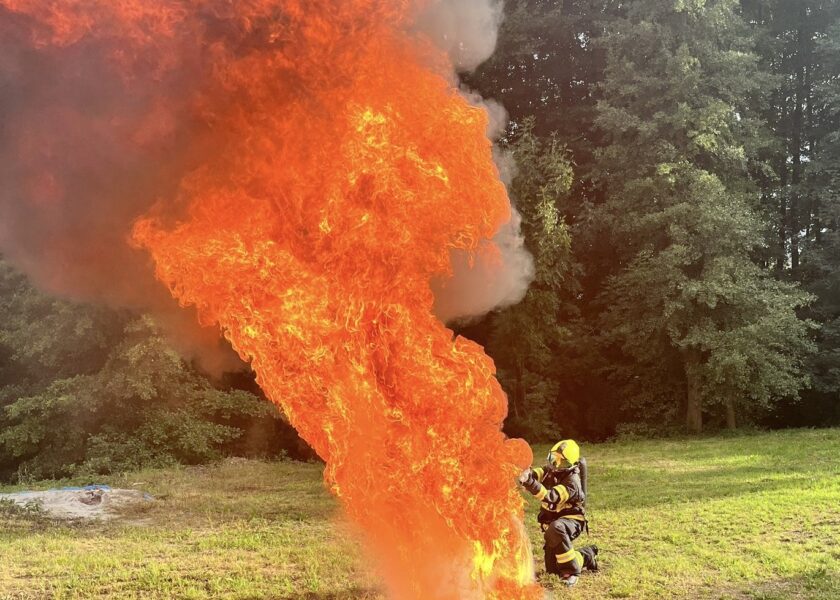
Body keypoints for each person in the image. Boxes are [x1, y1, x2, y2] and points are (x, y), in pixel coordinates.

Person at [519, 439, 599, 586]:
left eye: (562, 462)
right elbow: (537, 474)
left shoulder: (572, 482)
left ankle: (571, 572)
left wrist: (529, 482)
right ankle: (587, 556)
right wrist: (526, 473)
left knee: (556, 528)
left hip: (571, 520)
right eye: (554, 459)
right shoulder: (550, 470)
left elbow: (551, 497)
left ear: (572, 465)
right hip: (554, 524)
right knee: (552, 570)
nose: (556, 465)